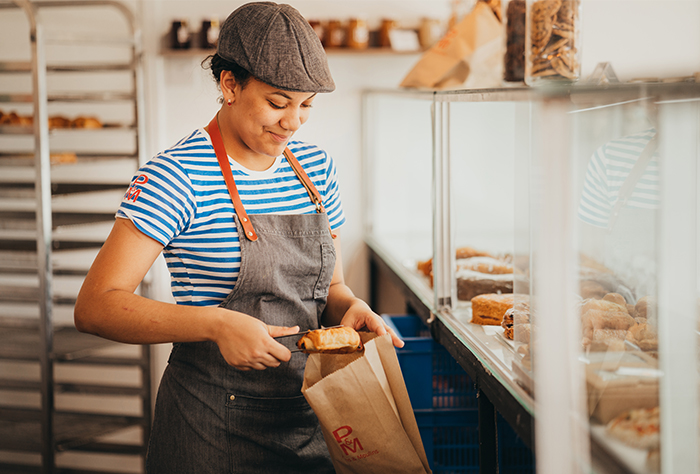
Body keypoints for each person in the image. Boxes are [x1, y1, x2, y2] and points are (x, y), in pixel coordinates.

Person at [74, 3, 403, 473]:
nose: (293, 122)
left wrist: (350, 308)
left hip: (311, 415)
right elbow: (95, 305)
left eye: (306, 104)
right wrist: (216, 325)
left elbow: (330, 288)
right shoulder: (176, 176)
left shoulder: (315, 169)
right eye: (277, 102)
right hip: (211, 428)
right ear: (229, 85)